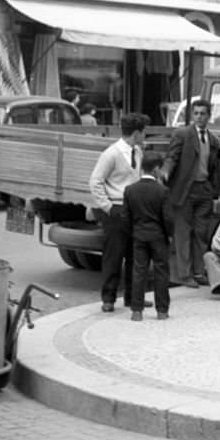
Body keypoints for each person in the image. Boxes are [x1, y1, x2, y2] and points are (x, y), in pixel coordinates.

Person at [160, 99, 220, 287]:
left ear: (209, 115)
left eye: (203, 113)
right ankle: (183, 274)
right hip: (185, 190)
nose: (199, 117)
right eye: (196, 113)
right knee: (183, 232)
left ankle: (199, 271)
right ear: (192, 115)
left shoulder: (213, 139)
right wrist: (165, 174)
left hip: (204, 189)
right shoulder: (182, 134)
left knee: (201, 232)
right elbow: (171, 157)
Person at [89, 112, 150, 313]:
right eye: (143, 132)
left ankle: (133, 297)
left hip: (134, 209)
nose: (144, 136)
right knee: (113, 256)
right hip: (116, 209)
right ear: (136, 133)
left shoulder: (138, 152)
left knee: (135, 255)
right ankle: (108, 298)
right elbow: (95, 181)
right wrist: (108, 207)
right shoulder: (111, 154)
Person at [123, 152, 172, 321]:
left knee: (139, 272)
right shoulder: (163, 191)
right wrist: (169, 235)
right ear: (156, 169)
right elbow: (167, 218)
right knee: (161, 272)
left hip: (139, 235)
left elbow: (126, 216)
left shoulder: (130, 190)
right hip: (158, 236)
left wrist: (133, 232)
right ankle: (162, 310)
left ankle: (137, 310)